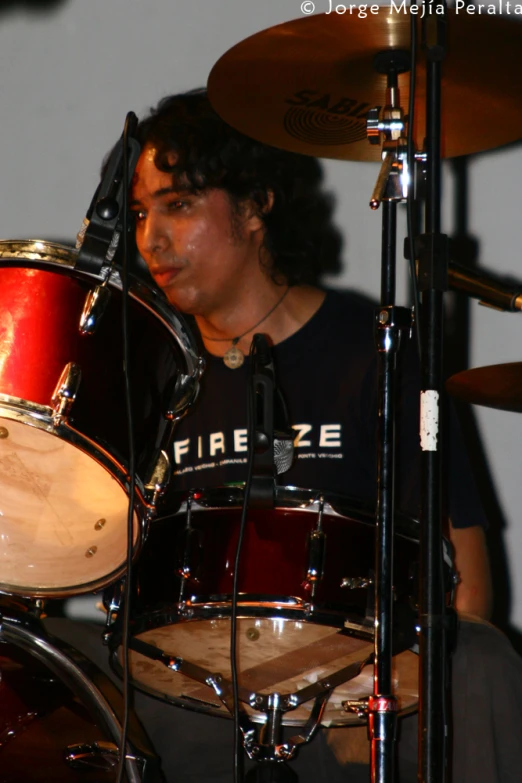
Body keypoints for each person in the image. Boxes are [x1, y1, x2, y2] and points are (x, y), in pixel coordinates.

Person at [50, 89, 522, 783]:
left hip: (346, 703)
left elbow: (469, 583)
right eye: (144, 211)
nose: (151, 239)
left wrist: (388, 695)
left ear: (255, 204)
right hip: (192, 702)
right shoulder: (144, 375)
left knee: (478, 658)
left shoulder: (375, 349)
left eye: (179, 205)